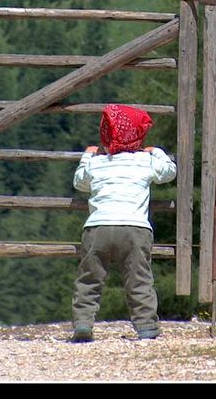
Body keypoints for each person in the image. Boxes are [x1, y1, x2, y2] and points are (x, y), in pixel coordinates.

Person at [70, 103, 176, 343]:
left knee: (89, 279)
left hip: (98, 227)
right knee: (139, 279)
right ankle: (146, 327)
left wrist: (88, 155)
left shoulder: (97, 163)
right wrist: (155, 151)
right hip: (135, 229)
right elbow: (169, 171)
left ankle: (84, 323)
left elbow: (79, 182)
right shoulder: (145, 162)